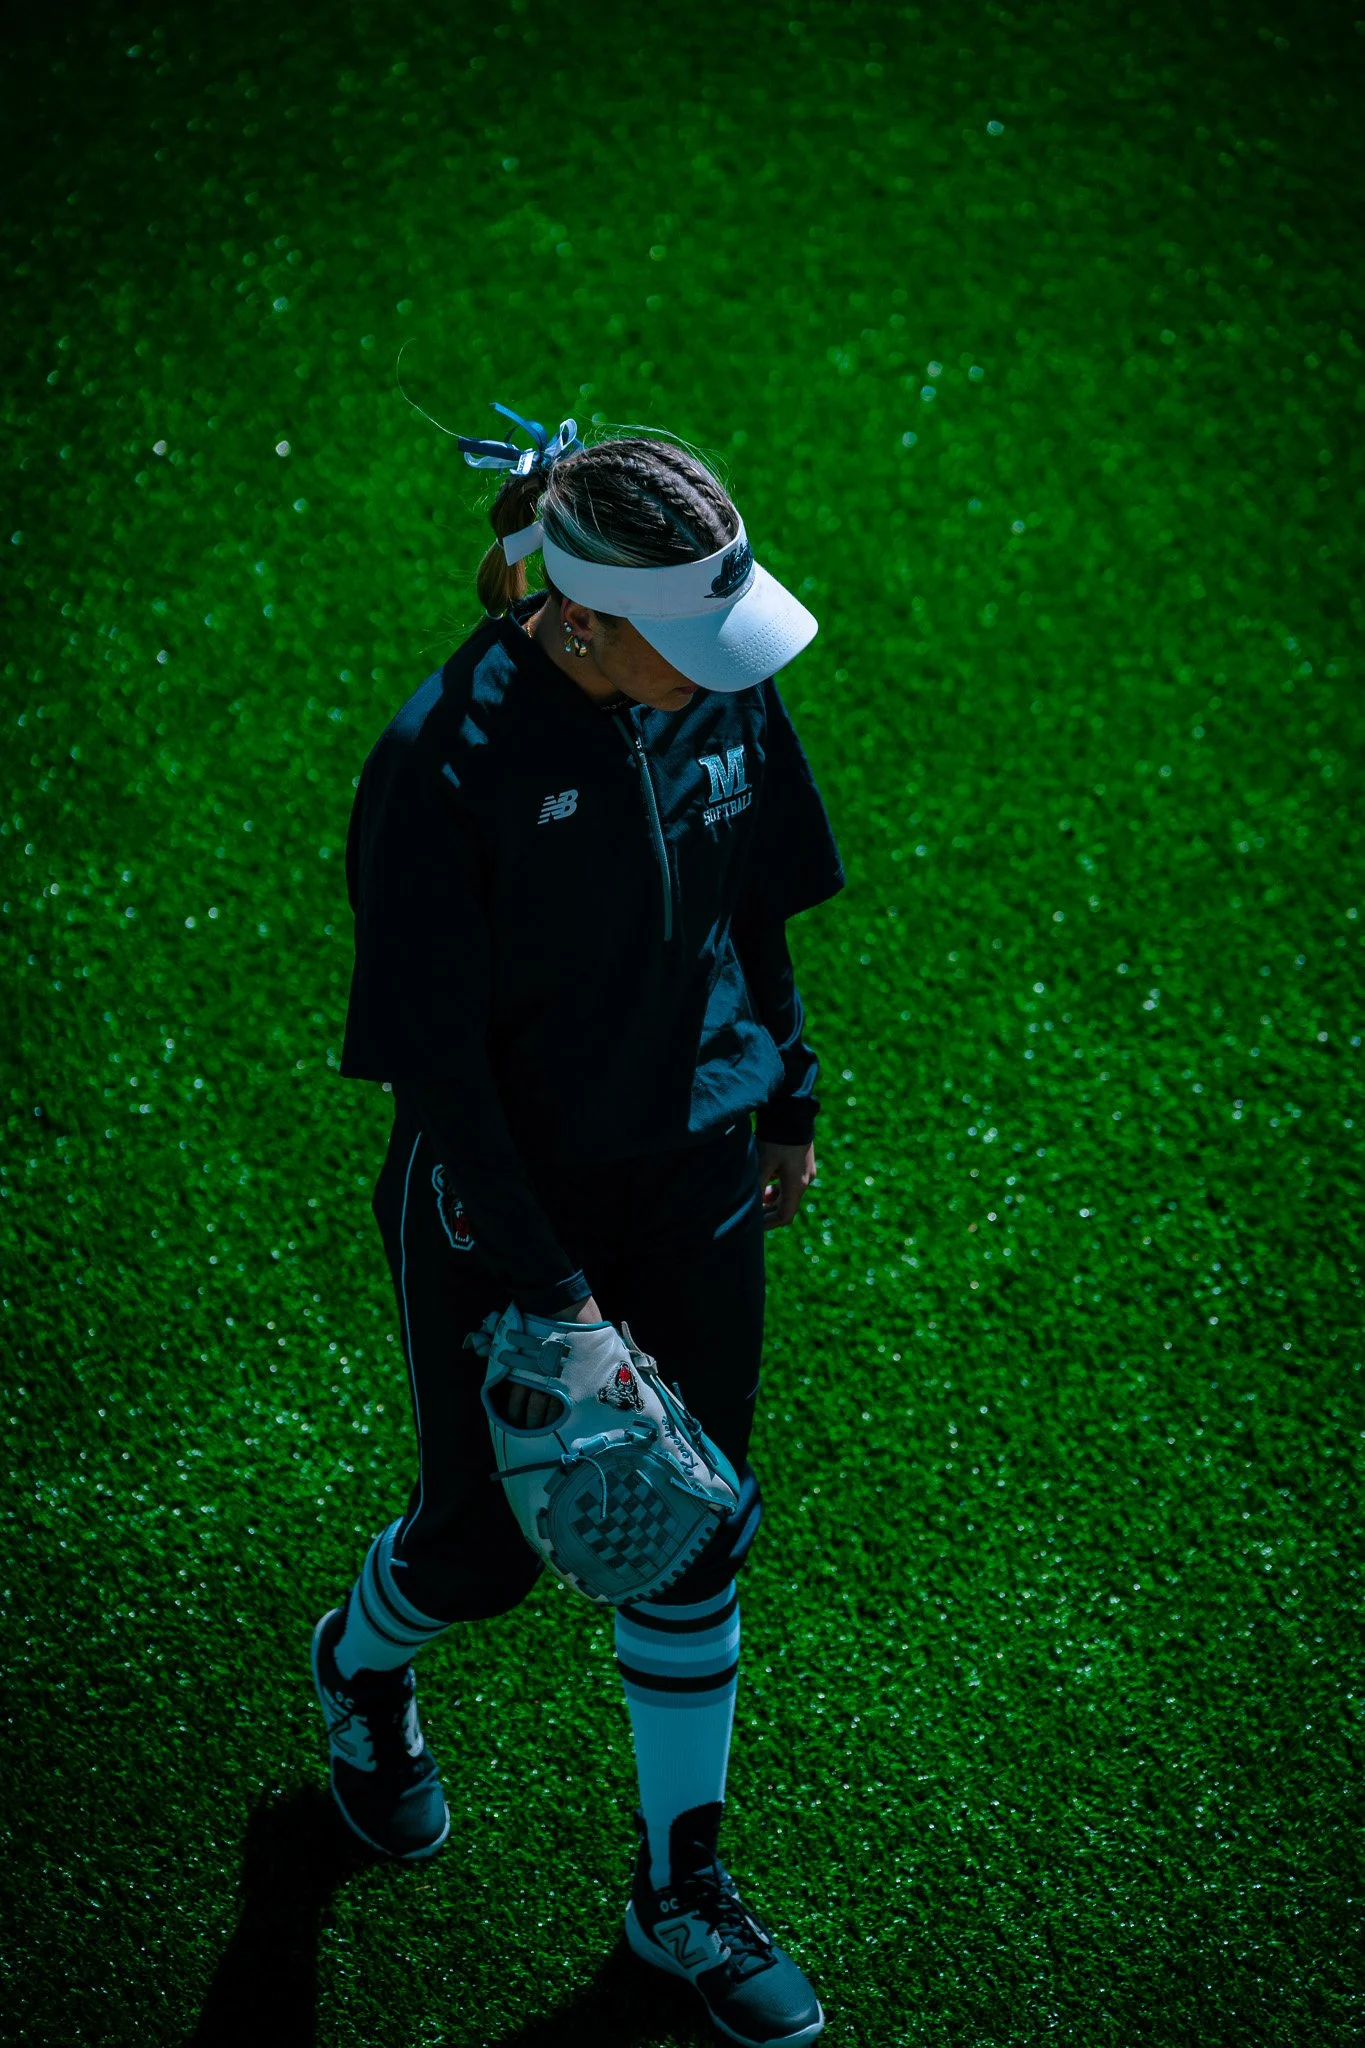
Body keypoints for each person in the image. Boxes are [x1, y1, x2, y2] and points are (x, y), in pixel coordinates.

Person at [312, 401, 845, 2048]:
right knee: (479, 1555)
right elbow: (439, 1069)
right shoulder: (444, 762)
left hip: (689, 1172)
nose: (733, 666)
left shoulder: (719, 688)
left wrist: (788, 1092)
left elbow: (754, 899)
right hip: (505, 1211)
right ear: (588, 622)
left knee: (689, 1523)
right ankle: (359, 1671)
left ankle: (679, 1888)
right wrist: (554, 1298)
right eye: (700, 641)